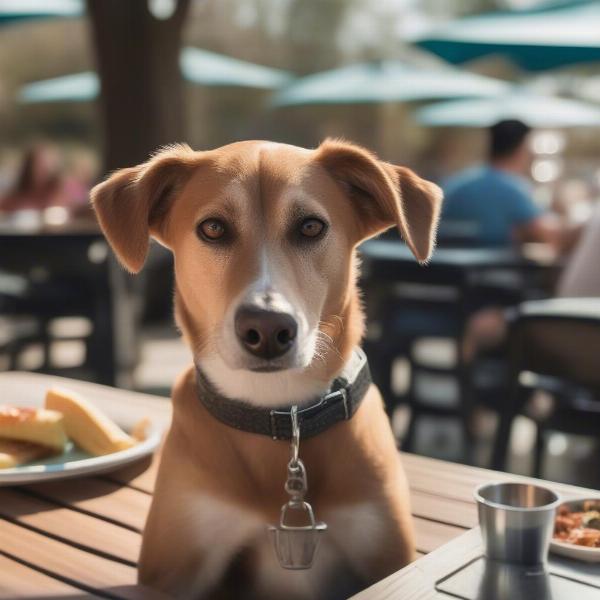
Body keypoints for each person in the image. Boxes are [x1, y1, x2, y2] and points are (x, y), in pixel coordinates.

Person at [440, 119, 570, 250]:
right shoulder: (512, 189)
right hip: (492, 267)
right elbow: (551, 234)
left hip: (440, 267)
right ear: (522, 148)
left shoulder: (456, 184)